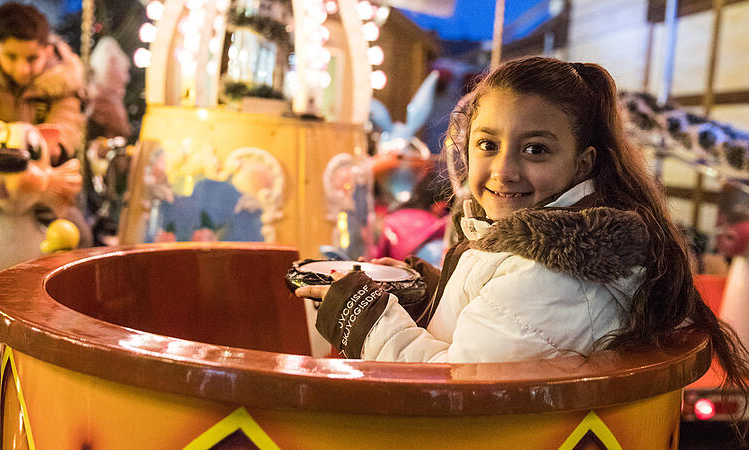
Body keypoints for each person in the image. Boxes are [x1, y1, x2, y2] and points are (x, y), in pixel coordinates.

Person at [295, 56, 749, 396]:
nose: (504, 171)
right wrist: (426, 290)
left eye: (535, 150)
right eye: (488, 144)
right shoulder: (531, 246)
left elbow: (455, 389)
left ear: (581, 163)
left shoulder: (558, 271)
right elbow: (498, 319)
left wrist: (362, 315)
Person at [0, 2, 89, 349]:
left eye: (31, 58)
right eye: (11, 57)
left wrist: (51, 148)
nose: (22, 68)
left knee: (76, 230)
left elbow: (68, 121)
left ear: (46, 50)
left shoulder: (62, 81)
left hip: (40, 183)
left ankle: (72, 301)